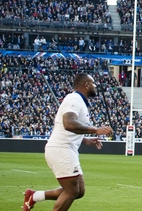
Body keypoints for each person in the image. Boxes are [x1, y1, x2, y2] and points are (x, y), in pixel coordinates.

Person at [22, 73, 113, 211]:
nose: (95, 86)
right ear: (86, 85)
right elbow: (68, 123)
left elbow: (68, 129)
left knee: (79, 191)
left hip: (65, 149)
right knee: (71, 191)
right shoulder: (74, 99)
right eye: (93, 83)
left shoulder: (79, 101)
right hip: (61, 149)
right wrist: (96, 130)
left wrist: (86, 140)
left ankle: (34, 196)